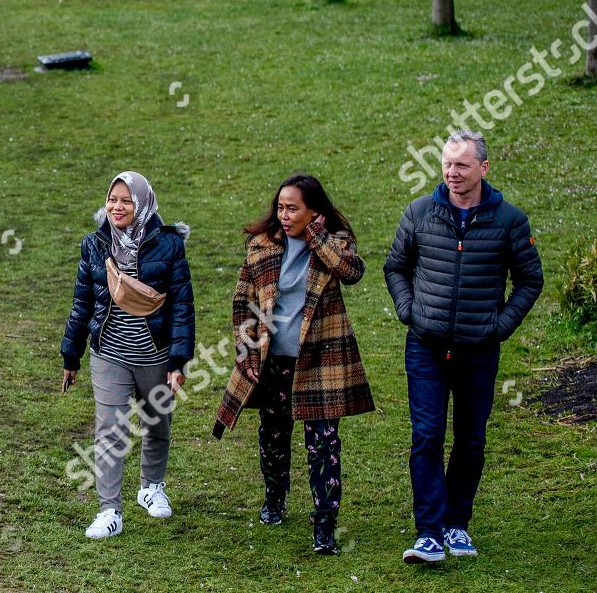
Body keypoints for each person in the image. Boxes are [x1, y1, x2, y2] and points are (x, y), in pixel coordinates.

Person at [384, 132, 543, 564]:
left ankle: (457, 525)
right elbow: (396, 266)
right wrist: (408, 312)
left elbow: (530, 281)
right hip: (426, 347)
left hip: (478, 350)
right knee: (427, 435)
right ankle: (429, 532)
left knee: (471, 440)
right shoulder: (419, 212)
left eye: (462, 166)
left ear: (483, 168)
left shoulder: (510, 220)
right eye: (447, 165)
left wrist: (499, 326)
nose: (452, 174)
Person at [214, 175, 374, 556]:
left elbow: (352, 272)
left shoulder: (335, 243)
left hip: (320, 361)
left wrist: (317, 237)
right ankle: (275, 498)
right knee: (273, 435)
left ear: (313, 211)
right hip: (272, 361)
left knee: (324, 444)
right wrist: (248, 351)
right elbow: (243, 303)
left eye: (293, 209)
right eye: (280, 208)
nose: (283, 215)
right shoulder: (261, 246)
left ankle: (324, 526)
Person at [60, 172, 194, 540]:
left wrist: (180, 361)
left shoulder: (168, 246)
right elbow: (82, 303)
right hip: (110, 356)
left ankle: (151, 487)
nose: (117, 207)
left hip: (156, 355)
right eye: (112, 199)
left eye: (126, 201)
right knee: (110, 431)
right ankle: (109, 511)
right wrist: (71, 355)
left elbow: (183, 305)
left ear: (143, 204)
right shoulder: (94, 245)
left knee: (156, 425)